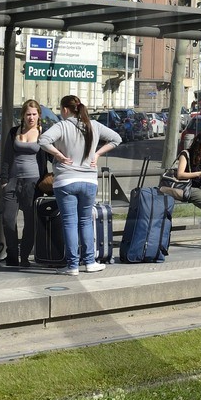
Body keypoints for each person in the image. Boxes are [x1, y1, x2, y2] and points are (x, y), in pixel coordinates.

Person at [38, 95, 120, 275]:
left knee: (70, 223)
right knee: (85, 221)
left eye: (61, 109)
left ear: (65, 110)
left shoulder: (62, 125)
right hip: (89, 181)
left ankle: (73, 265)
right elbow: (116, 139)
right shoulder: (94, 125)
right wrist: (97, 154)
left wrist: (58, 155)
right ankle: (90, 262)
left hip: (66, 181)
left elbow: (43, 140)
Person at [0, 100, 47, 267]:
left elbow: (54, 154)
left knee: (30, 222)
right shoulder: (14, 132)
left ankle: (24, 256)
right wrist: (4, 181)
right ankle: (12, 256)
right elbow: (6, 157)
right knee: (8, 219)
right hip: (12, 181)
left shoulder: (43, 133)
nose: (31, 117)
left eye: (34, 114)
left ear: (39, 115)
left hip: (33, 183)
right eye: (28, 114)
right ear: (23, 116)